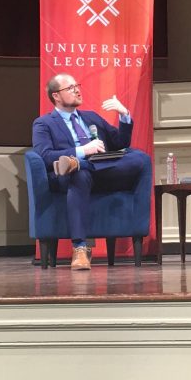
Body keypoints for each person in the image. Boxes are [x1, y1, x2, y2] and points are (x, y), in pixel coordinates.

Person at [32, 72, 152, 270]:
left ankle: (77, 163)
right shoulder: (44, 123)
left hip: (105, 171)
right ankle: (80, 249)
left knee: (140, 158)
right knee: (78, 175)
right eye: (70, 88)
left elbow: (120, 143)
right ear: (56, 96)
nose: (77, 89)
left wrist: (124, 115)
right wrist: (82, 151)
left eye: (77, 85)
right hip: (71, 177)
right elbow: (45, 156)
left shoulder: (91, 117)